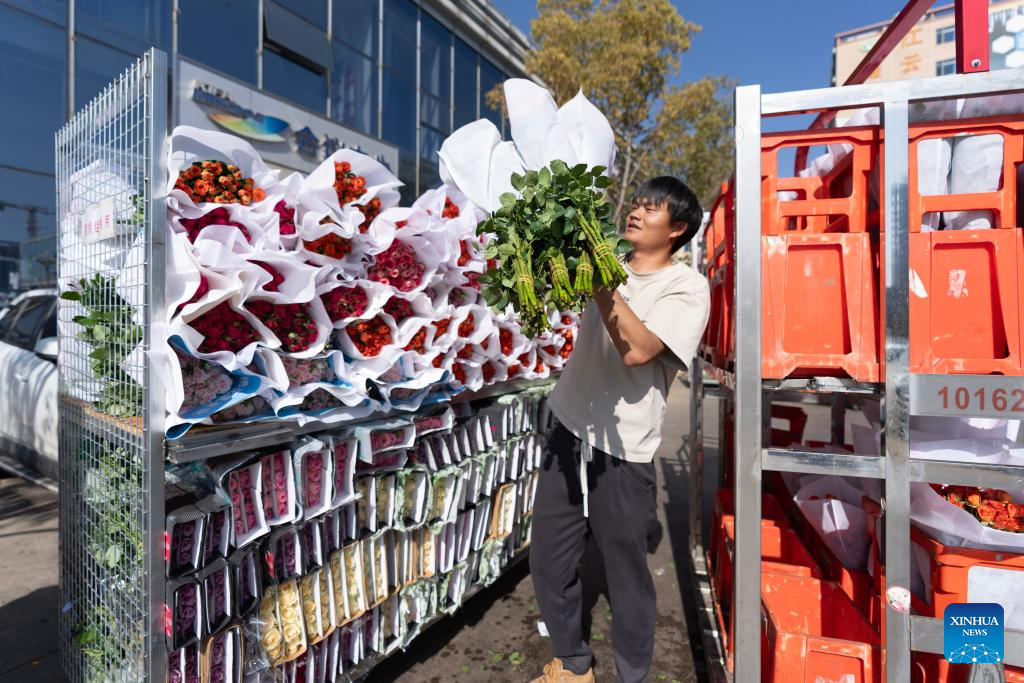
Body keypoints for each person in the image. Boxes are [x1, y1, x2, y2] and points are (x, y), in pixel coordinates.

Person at [529, 176, 711, 683]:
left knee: (626, 575)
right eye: (636, 204)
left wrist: (597, 278)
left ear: (676, 229)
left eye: (651, 210)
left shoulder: (687, 287)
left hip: (623, 449)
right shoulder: (609, 263)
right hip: (568, 429)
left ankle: (633, 676)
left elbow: (638, 352)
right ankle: (571, 664)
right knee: (547, 555)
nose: (635, 213)